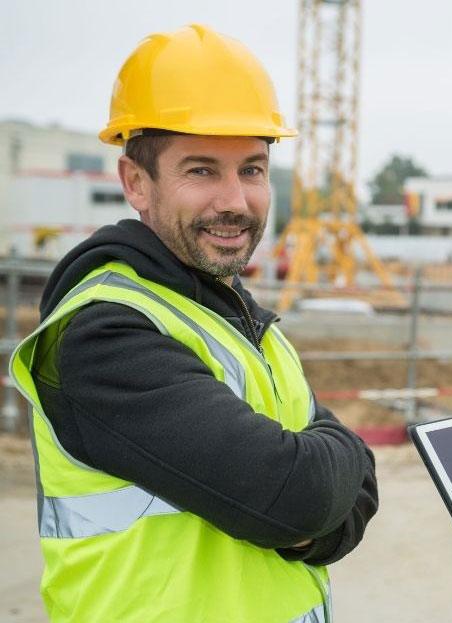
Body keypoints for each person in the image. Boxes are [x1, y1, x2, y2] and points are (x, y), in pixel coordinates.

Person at [8, 24, 377, 623]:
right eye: (202, 171)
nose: (234, 200)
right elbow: (304, 493)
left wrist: (315, 513)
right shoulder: (103, 334)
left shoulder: (243, 320)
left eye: (252, 170)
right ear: (136, 182)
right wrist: (314, 496)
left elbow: (354, 494)